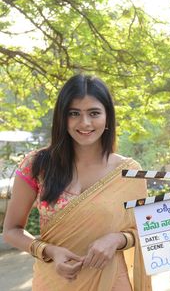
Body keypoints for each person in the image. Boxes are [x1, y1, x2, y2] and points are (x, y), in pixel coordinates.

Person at [3, 74, 152, 291]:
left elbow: (146, 230)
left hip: (111, 282)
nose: (85, 123)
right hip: (53, 282)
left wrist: (117, 239)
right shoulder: (37, 165)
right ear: (62, 118)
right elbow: (11, 230)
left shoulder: (129, 172)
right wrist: (49, 251)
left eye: (94, 113)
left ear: (107, 117)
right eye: (74, 114)